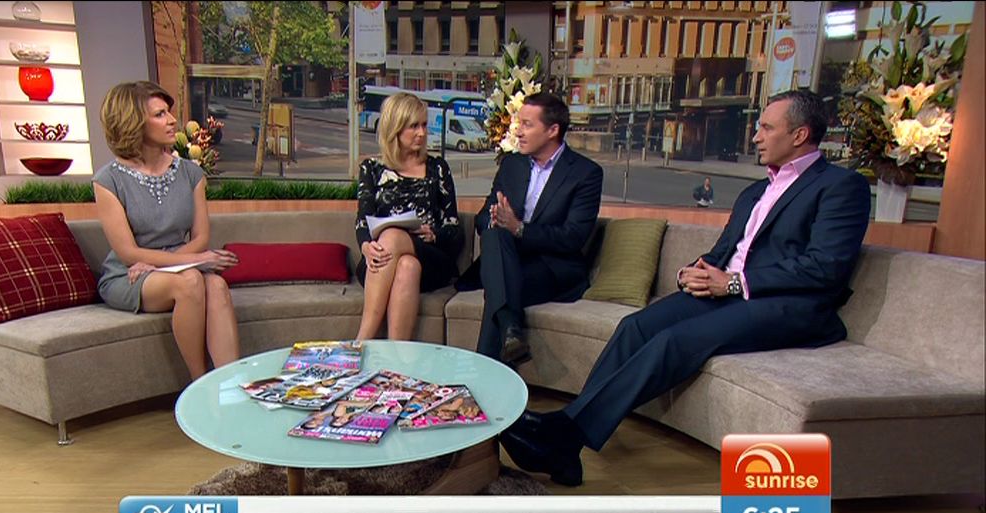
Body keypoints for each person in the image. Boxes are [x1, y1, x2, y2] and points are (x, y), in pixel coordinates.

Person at [500, 89, 871, 487]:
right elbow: (726, 251)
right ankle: (567, 445)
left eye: (766, 128)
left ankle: (564, 436)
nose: (756, 136)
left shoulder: (840, 186)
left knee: (673, 341)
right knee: (635, 327)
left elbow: (825, 266)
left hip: (788, 305)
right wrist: (694, 271)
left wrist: (734, 282)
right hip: (729, 291)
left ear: (799, 135)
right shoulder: (755, 191)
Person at [94, 81, 240, 381]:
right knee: (190, 282)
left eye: (169, 112)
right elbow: (128, 254)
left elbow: (200, 238)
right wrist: (196, 261)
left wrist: (165, 263)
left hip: (177, 265)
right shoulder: (108, 181)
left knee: (216, 286)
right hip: (129, 275)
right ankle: (199, 385)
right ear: (133, 122)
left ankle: (230, 383)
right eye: (160, 114)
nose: (173, 120)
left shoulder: (191, 173)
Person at [467, 92, 604, 364]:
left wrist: (519, 228)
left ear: (553, 130)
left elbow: (573, 237)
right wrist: (495, 219)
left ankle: (487, 370)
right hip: (506, 257)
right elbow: (482, 218)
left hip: (551, 268)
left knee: (499, 290)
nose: (518, 131)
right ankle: (510, 333)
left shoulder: (586, 174)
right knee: (494, 233)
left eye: (527, 125)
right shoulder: (512, 164)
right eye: (519, 123)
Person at [355, 92, 463, 341]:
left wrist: (433, 234)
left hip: (430, 257)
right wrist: (365, 247)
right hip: (381, 260)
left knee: (393, 237)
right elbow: (363, 220)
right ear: (395, 128)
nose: (422, 133)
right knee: (406, 266)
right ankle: (397, 357)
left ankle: (360, 342)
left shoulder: (437, 168)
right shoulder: (371, 169)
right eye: (413, 126)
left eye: (424, 125)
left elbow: (454, 228)